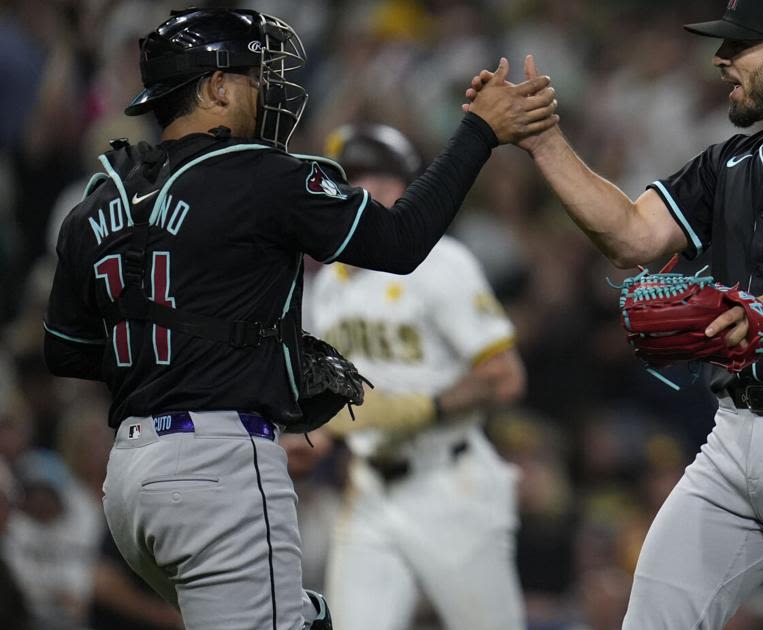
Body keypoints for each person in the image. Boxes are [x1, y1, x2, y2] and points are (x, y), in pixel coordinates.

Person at [40, 7, 555, 630]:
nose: (268, 87)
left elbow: (68, 350)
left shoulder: (95, 202)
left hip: (128, 483)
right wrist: (477, 131)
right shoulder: (261, 176)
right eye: (255, 73)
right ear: (215, 86)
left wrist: (192, 358)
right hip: (217, 473)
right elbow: (398, 241)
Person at [468, 0, 763, 627]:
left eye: (739, 46)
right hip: (734, 435)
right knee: (654, 617)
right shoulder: (730, 163)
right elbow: (632, 235)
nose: (720, 60)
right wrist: (545, 142)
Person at [308, 123, 527, 630]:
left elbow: (505, 377)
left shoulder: (439, 262)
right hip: (368, 491)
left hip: (451, 485)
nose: (363, 193)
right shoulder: (326, 287)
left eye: (377, 179)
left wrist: (420, 408)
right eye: (350, 182)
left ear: (405, 186)